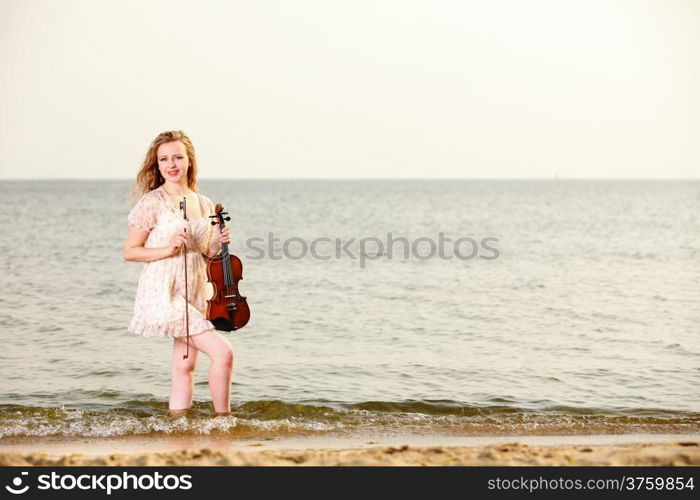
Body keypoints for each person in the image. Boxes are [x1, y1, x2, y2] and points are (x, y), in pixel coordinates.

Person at [122, 130, 234, 415]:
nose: (171, 164)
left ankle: (177, 427)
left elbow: (206, 253)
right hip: (164, 291)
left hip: (194, 289)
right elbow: (130, 251)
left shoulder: (204, 203)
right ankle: (225, 421)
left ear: (189, 161)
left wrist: (218, 243)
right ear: (157, 165)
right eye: (163, 159)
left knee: (185, 366)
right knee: (223, 353)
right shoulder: (152, 202)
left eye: (177, 157)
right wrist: (168, 249)